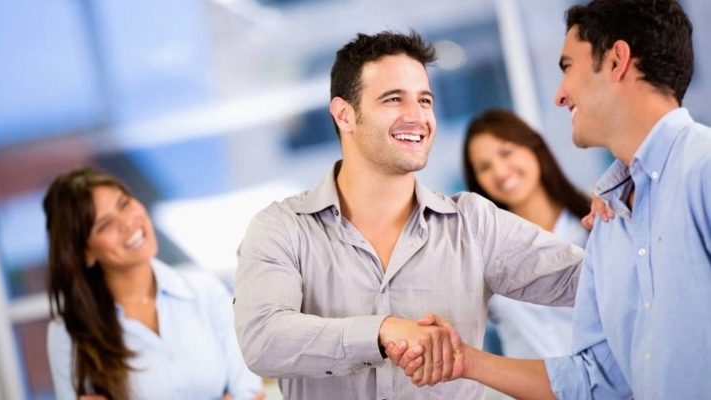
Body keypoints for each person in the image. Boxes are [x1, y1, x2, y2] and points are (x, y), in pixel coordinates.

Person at [233, 30, 583, 400]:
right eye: (393, 99)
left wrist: (621, 218)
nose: (417, 116)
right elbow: (262, 339)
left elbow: (586, 279)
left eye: (424, 100)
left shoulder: (473, 224)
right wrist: (381, 331)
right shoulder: (281, 228)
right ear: (344, 115)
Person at [387, 1, 711, 399]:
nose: (559, 96)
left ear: (616, 62)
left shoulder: (703, 169)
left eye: (567, 67)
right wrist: (466, 361)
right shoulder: (611, 223)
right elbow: (596, 378)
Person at [43, 166, 264, 400]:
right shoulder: (68, 333)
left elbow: (250, 393)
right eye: (105, 225)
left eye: (124, 204)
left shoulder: (205, 292)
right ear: (86, 253)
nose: (128, 224)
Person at [463, 109, 591, 359]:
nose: (500, 172)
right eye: (484, 167)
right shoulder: (482, 252)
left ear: (533, 147)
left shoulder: (594, 222)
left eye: (506, 153)